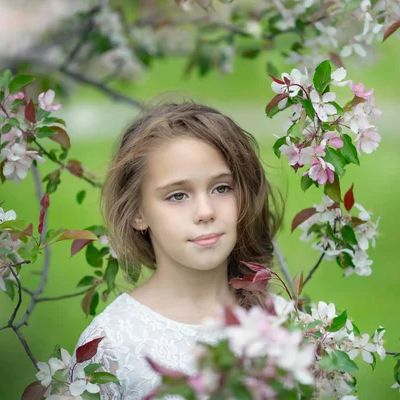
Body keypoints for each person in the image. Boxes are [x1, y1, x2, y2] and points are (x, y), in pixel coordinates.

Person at [69, 102, 291, 399]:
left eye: (222, 188)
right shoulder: (112, 345)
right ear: (138, 213)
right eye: (177, 195)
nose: (205, 211)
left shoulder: (282, 324)